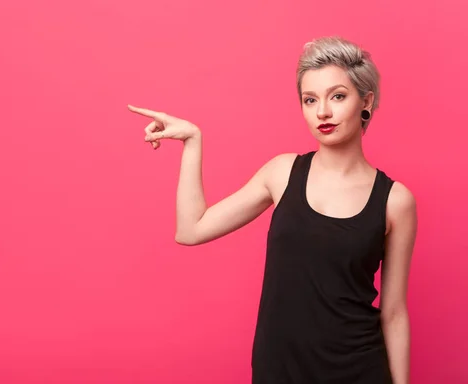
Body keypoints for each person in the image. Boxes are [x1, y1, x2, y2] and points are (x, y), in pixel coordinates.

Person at [127, 36, 416, 384]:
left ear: (365, 102)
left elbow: (395, 312)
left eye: (337, 96)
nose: (322, 111)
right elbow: (190, 230)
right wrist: (192, 141)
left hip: (358, 369)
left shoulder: (395, 200)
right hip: (280, 368)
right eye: (310, 100)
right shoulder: (282, 173)